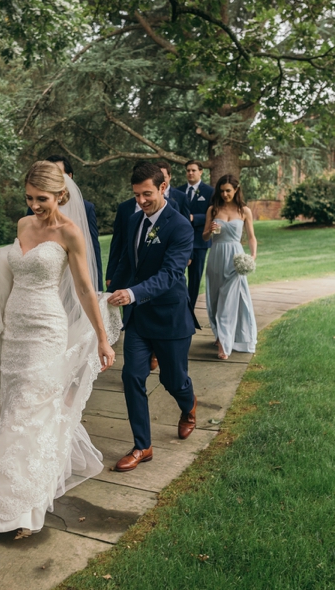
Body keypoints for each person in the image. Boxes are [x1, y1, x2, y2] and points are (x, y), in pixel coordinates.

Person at [0, 161, 120, 537]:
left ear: (61, 195)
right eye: (29, 198)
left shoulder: (70, 233)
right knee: (13, 406)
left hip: (46, 329)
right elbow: (8, 269)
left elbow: (84, 288)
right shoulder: (23, 225)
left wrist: (102, 337)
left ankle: (24, 508)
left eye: (42, 199)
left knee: (28, 409)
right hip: (15, 327)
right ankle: (6, 492)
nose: (35, 205)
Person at [107, 163, 198, 472]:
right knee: (132, 376)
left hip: (170, 318)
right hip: (138, 319)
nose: (141, 201)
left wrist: (132, 293)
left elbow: (171, 274)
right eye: (136, 195)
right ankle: (142, 446)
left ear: (162, 187)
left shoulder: (180, 226)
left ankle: (188, 405)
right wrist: (108, 291)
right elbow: (127, 262)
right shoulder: (134, 220)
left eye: (147, 194)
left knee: (173, 381)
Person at [26, 154, 103, 291]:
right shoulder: (33, 209)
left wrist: (97, 287)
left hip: (76, 275)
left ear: (69, 176)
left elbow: (93, 247)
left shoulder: (86, 208)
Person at [203, 174, 258, 359]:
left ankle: (224, 346)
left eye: (228, 191)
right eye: (222, 191)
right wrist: (209, 231)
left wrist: (252, 256)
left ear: (236, 190)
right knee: (215, 299)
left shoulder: (244, 211)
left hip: (235, 258)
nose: (225, 194)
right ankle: (220, 335)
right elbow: (204, 236)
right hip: (216, 256)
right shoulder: (213, 209)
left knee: (230, 300)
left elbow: (251, 237)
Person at [181, 160, 214, 307]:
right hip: (181, 240)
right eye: (188, 170)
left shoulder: (210, 191)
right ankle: (179, 307)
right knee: (177, 276)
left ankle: (190, 309)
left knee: (195, 278)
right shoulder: (179, 191)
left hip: (199, 240)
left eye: (193, 170)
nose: (190, 173)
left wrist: (195, 218)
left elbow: (214, 214)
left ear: (200, 172)